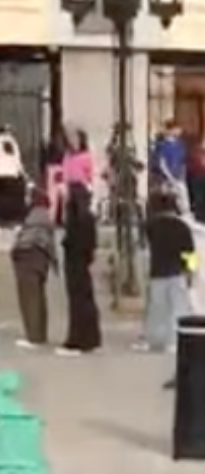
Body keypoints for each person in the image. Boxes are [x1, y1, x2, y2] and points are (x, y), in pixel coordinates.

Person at [133, 191, 196, 352]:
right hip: (178, 272)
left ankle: (151, 340)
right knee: (178, 308)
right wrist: (191, 272)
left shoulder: (150, 226)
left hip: (158, 272)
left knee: (155, 309)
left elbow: (144, 248)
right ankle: (174, 342)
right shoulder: (183, 227)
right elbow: (190, 252)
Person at [59, 134, 101, 356]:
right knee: (85, 294)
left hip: (76, 254)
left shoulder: (76, 209)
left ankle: (78, 340)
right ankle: (90, 338)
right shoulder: (85, 212)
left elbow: (74, 233)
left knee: (77, 296)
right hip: (82, 253)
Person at [11, 204, 56, 349]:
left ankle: (33, 337)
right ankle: (40, 334)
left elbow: (23, 242)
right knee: (39, 298)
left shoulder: (33, 220)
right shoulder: (46, 220)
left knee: (29, 299)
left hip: (27, 260)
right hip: (41, 262)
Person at [151, 119, 189, 215]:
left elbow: (182, 161)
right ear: (170, 130)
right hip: (165, 177)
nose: (179, 131)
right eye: (177, 129)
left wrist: (181, 175)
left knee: (183, 195)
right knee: (171, 196)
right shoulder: (162, 145)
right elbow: (161, 164)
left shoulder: (180, 144)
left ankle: (184, 214)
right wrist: (170, 178)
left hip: (179, 176)